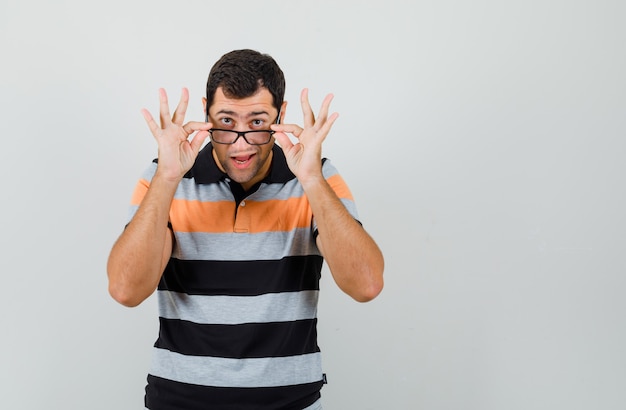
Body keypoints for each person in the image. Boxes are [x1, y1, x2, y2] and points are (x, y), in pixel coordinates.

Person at [107, 49, 384, 410]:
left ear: (280, 115)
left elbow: (366, 285)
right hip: (180, 401)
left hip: (290, 403)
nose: (240, 143)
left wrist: (312, 179)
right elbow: (126, 290)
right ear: (206, 114)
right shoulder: (164, 177)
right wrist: (168, 177)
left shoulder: (317, 176)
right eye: (225, 121)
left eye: (257, 123)